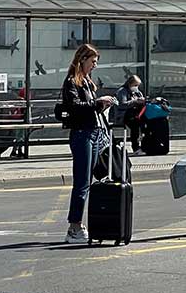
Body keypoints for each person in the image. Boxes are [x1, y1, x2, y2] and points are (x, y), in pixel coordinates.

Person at [61, 43, 114, 245]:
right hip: (82, 134)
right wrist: (97, 103)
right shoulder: (71, 82)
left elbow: (88, 109)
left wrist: (102, 105)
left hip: (93, 133)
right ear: (82, 59)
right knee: (82, 183)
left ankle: (79, 225)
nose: (95, 65)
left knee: (89, 181)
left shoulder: (86, 82)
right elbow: (75, 107)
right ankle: (74, 227)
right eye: (93, 61)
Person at [114, 74, 146, 153]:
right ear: (130, 84)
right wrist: (135, 101)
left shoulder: (137, 92)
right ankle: (136, 147)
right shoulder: (122, 91)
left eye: (137, 85)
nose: (136, 87)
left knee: (147, 121)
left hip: (137, 114)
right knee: (135, 124)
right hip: (124, 115)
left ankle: (146, 144)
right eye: (135, 85)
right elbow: (122, 105)